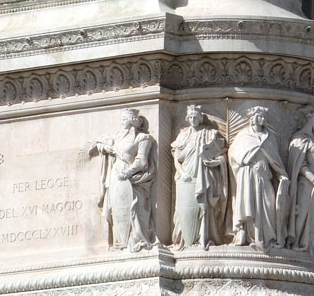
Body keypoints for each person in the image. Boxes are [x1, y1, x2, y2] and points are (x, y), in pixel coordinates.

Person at [89, 109, 157, 251]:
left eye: (124, 119)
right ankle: (120, 242)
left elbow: (142, 161)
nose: (121, 122)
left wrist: (128, 173)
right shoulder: (118, 137)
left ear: (132, 120)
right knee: (116, 208)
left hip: (131, 178)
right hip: (116, 176)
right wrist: (102, 146)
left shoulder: (143, 138)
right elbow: (109, 147)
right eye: (121, 119)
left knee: (134, 209)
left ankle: (135, 239)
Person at [229, 107, 289, 250]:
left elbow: (275, 159)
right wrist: (247, 159)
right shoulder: (244, 135)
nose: (262, 118)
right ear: (253, 118)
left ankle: (266, 237)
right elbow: (234, 155)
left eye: (262, 116)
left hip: (264, 177)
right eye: (259, 115)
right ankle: (245, 235)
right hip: (247, 176)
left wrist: (282, 174)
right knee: (248, 205)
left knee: (268, 204)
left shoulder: (270, 137)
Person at [171, 104, 229, 248]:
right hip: (186, 178)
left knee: (205, 207)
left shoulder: (209, 134)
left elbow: (220, 154)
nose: (192, 119)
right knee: (183, 209)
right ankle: (185, 239)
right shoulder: (182, 135)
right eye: (190, 117)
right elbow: (176, 158)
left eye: (195, 117)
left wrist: (212, 160)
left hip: (204, 176)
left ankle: (203, 237)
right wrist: (183, 173)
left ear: (200, 118)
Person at [283, 108, 314, 254]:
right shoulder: (300, 139)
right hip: (306, 184)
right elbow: (299, 165)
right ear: (309, 120)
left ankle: (313, 247)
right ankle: (297, 243)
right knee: (303, 214)